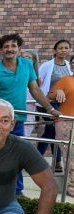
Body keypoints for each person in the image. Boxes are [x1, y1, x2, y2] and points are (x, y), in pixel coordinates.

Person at [0, 33, 61, 195]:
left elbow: (35, 89)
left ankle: (17, 191)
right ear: (0, 50)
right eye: (6, 46)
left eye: (13, 46)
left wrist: (50, 109)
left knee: (16, 157)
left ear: (19, 49)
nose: (10, 49)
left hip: (17, 121)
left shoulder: (26, 64)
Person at [37, 40, 72, 172]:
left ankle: (54, 161)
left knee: (52, 132)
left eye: (66, 48)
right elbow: (37, 81)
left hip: (61, 104)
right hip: (48, 102)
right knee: (52, 131)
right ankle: (44, 159)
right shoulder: (47, 65)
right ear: (55, 50)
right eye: (61, 48)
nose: (63, 50)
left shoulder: (69, 65)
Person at [49, 69, 74, 196]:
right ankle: (71, 185)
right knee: (70, 156)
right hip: (66, 121)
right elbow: (50, 96)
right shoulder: (66, 80)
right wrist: (58, 91)